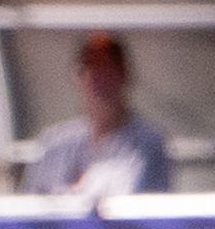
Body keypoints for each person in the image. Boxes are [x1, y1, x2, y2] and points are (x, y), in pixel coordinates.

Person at [20, 30, 172, 199]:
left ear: (124, 76)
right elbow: (30, 203)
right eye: (93, 71)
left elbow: (143, 204)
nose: (101, 80)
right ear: (78, 77)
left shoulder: (147, 145)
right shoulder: (56, 142)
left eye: (108, 70)